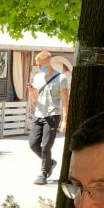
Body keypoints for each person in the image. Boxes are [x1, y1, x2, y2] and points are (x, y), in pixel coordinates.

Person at [27, 51, 70, 185]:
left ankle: (44, 174)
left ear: (48, 63)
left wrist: (64, 121)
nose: (39, 68)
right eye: (37, 65)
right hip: (38, 114)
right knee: (33, 144)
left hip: (52, 115)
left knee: (46, 146)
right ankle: (50, 163)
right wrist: (32, 93)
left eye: (41, 65)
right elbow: (34, 99)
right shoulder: (38, 77)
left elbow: (65, 101)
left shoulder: (61, 78)